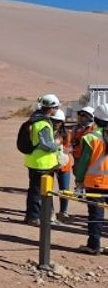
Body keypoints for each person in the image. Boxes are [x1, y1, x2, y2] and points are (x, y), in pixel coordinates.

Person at [74, 104, 108, 255]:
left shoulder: (91, 138)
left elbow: (84, 162)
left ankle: (94, 246)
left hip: (95, 183)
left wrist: (79, 179)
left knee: (95, 216)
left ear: (97, 119)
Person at [22, 94, 61, 225]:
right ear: (51, 108)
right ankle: (34, 217)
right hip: (42, 164)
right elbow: (46, 145)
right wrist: (56, 144)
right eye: (56, 107)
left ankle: (32, 216)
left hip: (34, 161)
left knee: (34, 190)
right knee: (39, 191)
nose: (56, 110)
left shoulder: (34, 119)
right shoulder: (43, 123)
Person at [50, 109, 73, 221]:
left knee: (64, 189)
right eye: (54, 121)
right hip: (49, 165)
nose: (56, 123)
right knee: (48, 189)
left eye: (59, 121)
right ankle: (50, 211)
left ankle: (63, 211)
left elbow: (69, 147)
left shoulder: (66, 134)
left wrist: (64, 151)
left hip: (64, 165)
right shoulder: (46, 132)